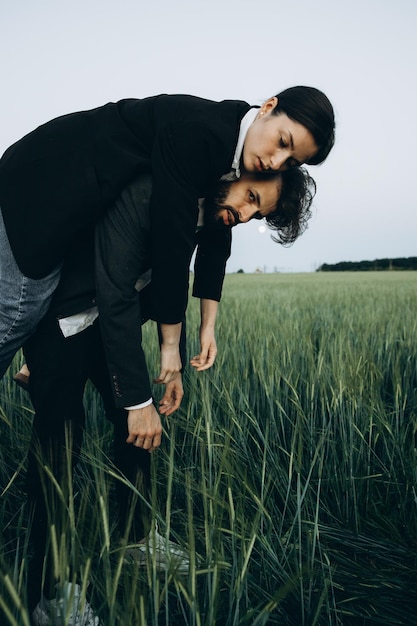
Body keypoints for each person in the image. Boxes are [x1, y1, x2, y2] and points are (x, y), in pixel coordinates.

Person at [22, 167, 316, 624]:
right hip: (64, 321)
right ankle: (50, 592)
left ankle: (135, 541)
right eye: (251, 197)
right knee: (60, 442)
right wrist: (40, 354)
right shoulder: (168, 191)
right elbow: (100, 273)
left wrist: (201, 334)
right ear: (237, 171)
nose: (244, 214)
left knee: (134, 428)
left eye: (257, 210)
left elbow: (209, 260)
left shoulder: (217, 214)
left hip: (109, 325)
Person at [0, 86, 335, 384]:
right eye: (282, 142)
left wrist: (208, 325)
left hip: (75, 202)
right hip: (43, 182)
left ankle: (42, 364)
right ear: (268, 107)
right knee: (17, 314)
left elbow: (217, 237)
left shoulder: (235, 142)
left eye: (291, 162)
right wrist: (170, 346)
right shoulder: (204, 133)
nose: (276, 162)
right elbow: (171, 247)